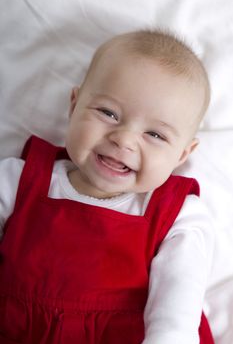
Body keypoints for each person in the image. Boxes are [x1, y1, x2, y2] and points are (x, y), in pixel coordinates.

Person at [0, 30, 215, 344]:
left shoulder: (178, 215)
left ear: (181, 155)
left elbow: (178, 303)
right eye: (108, 113)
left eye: (155, 135)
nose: (124, 139)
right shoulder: (18, 180)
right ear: (74, 106)